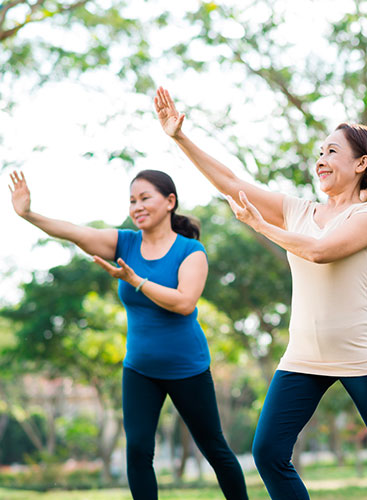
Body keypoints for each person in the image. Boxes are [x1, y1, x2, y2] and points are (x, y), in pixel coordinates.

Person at [152, 86, 367, 500]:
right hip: (304, 356)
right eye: (320, 153)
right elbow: (231, 182)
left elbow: (321, 252)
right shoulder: (299, 210)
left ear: (362, 163)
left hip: (361, 354)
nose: (321, 160)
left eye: (332, 152)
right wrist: (179, 137)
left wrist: (261, 226)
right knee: (268, 452)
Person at [9, 169, 248, 500]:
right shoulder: (125, 242)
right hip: (139, 369)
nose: (137, 206)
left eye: (145, 198)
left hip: (187, 368)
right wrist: (29, 214)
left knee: (214, 449)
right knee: (137, 451)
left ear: (170, 202)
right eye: (132, 200)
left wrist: (137, 281)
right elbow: (75, 233)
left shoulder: (191, 251)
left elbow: (183, 302)